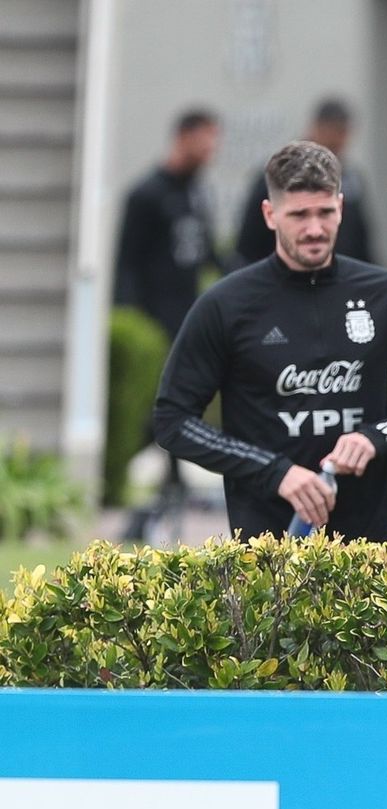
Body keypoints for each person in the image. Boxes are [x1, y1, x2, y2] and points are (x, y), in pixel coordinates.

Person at [152, 141, 387, 539]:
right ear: (270, 214)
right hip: (265, 548)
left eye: (325, 212)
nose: (315, 229)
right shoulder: (227, 304)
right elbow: (173, 421)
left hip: (372, 546)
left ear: (340, 207)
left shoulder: (386, 294)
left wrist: (376, 437)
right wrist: (274, 472)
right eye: (299, 215)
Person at [113, 108, 222, 538]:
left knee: (184, 403)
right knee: (154, 411)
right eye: (205, 141)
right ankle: (143, 488)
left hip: (187, 322)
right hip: (155, 325)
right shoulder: (146, 194)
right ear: (183, 137)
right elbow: (127, 265)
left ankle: (172, 485)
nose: (211, 151)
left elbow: (210, 255)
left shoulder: (197, 193)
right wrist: (136, 324)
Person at [232, 98, 378, 267]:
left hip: (339, 274)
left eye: (343, 133)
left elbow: (361, 241)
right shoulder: (279, 176)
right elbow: (249, 243)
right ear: (315, 128)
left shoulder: (351, 179)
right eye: (333, 132)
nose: (339, 140)